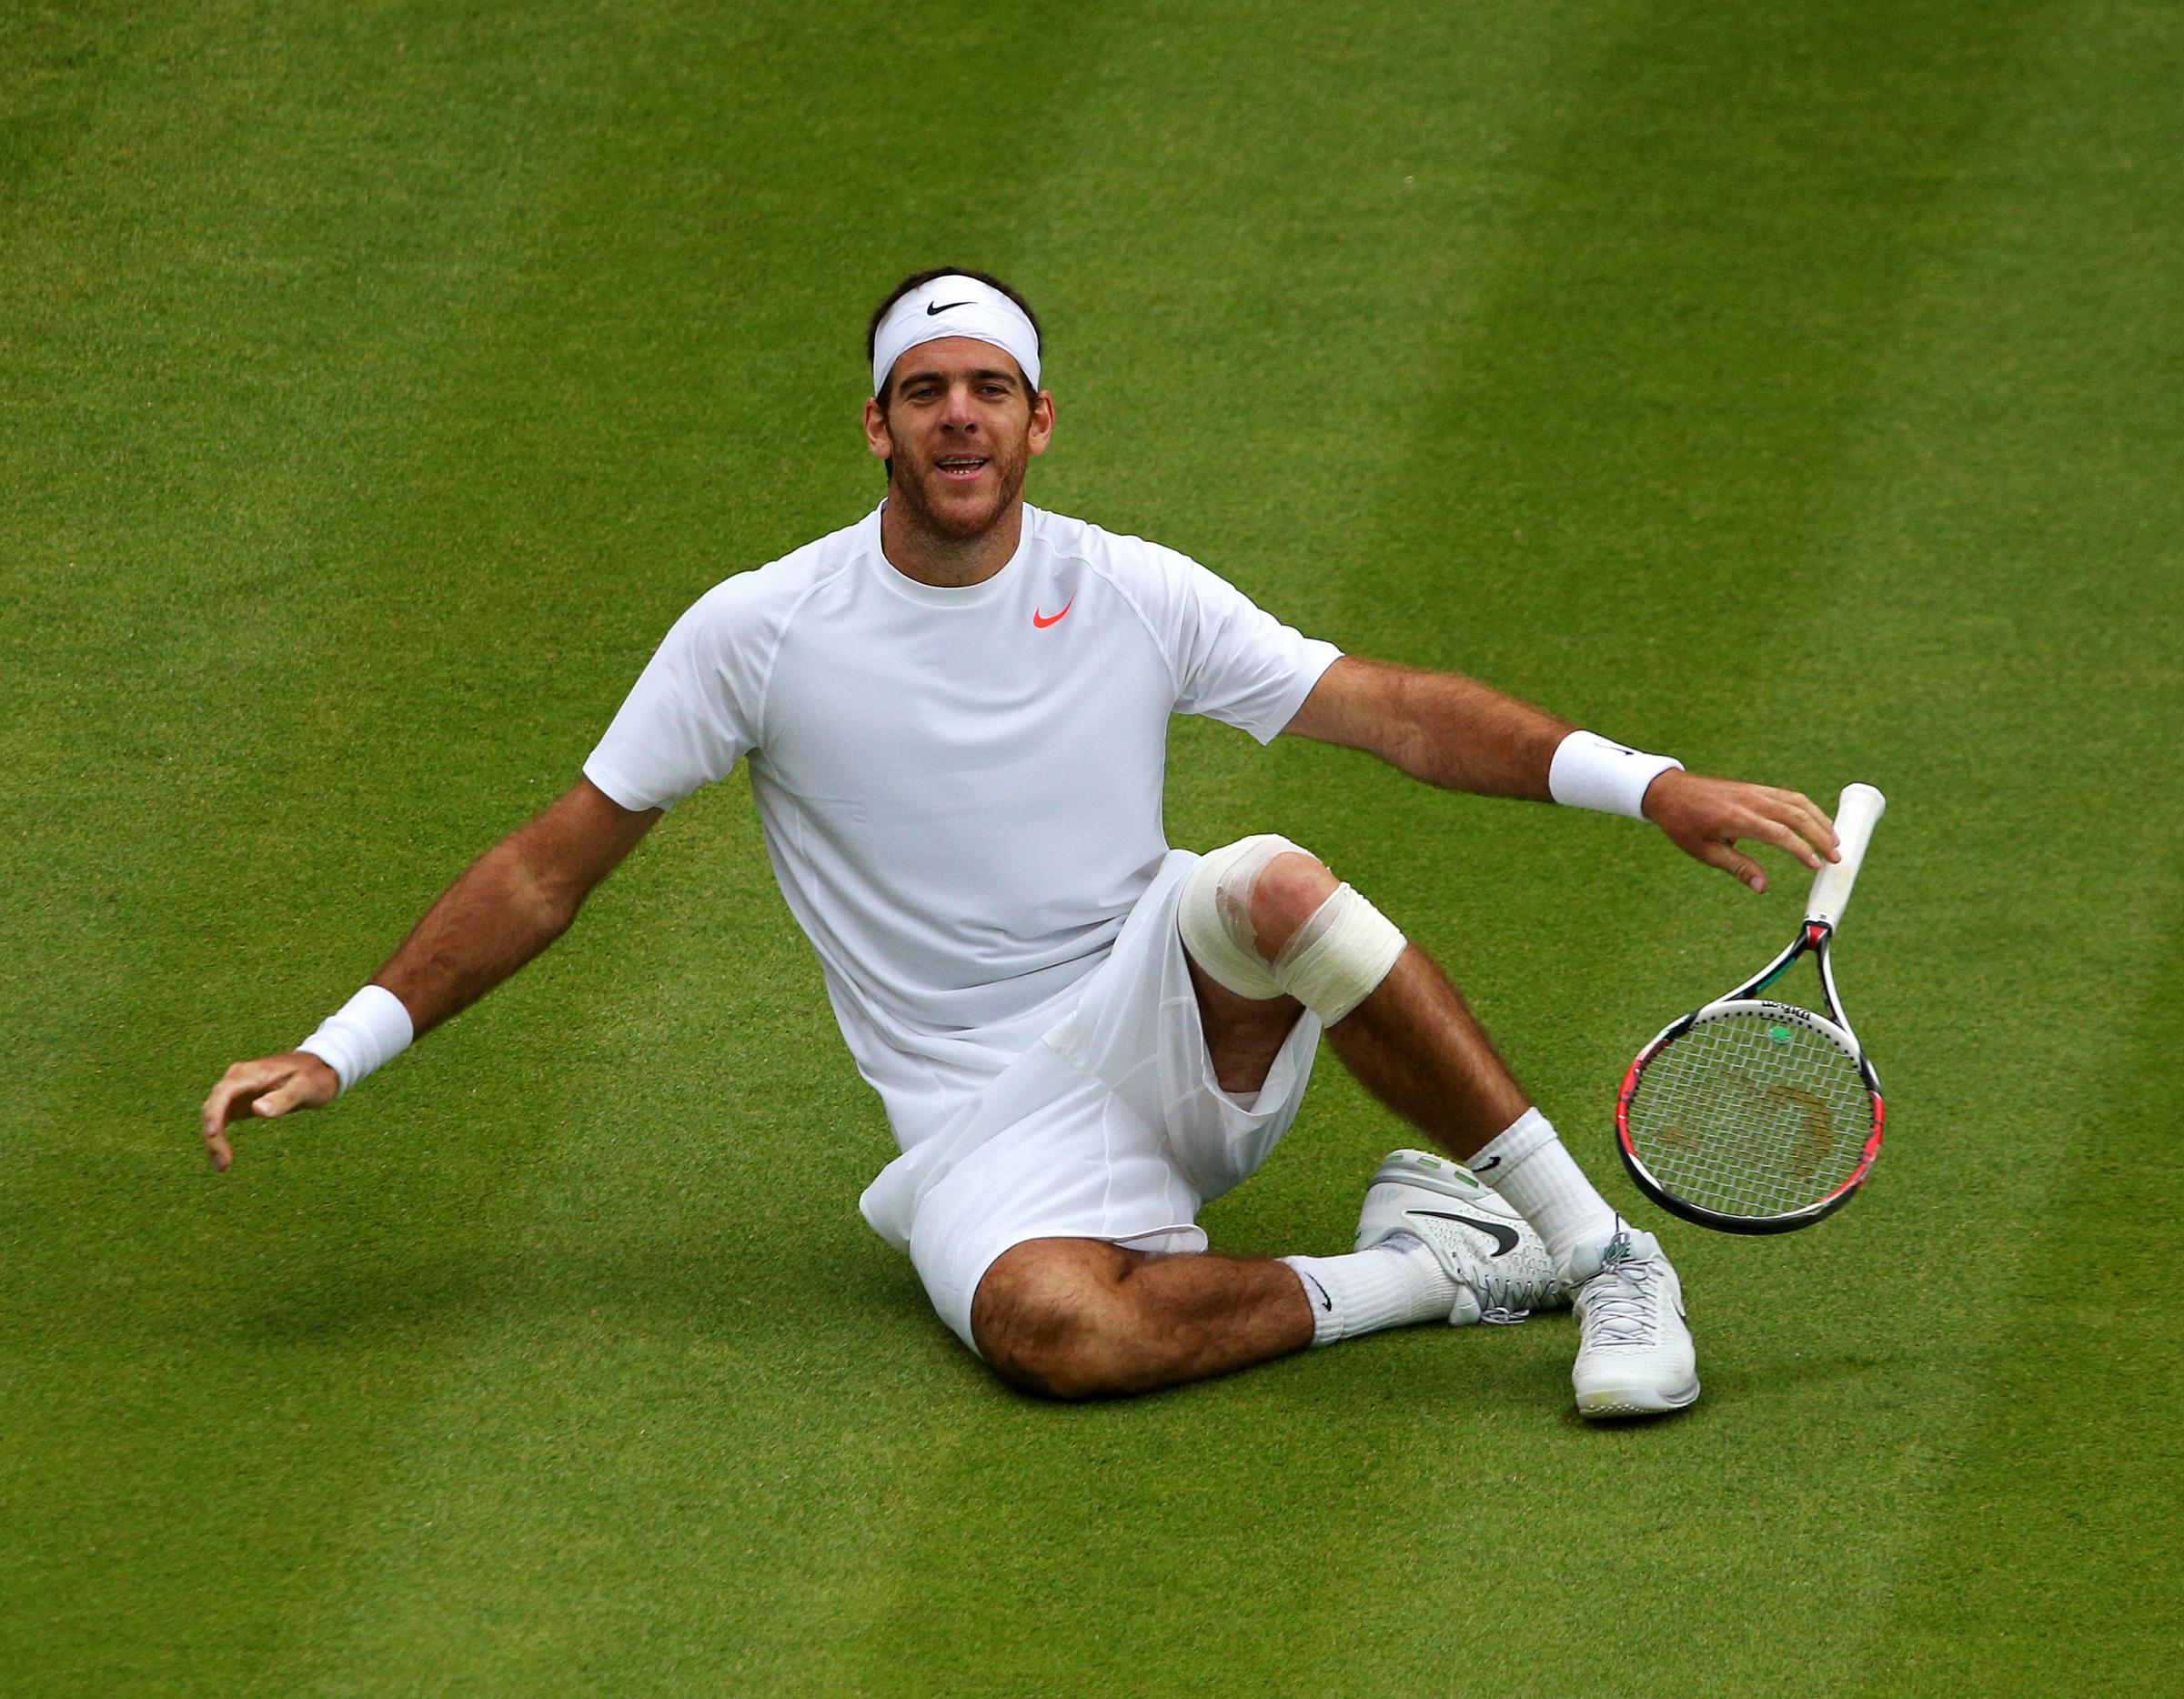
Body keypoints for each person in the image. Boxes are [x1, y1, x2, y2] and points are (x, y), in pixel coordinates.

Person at [201, 266, 1838, 1416]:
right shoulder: (759, 631)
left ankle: (1603, 1252)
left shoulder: (1130, 586)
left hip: (1170, 1015)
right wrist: (347, 1044)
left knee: (1268, 879)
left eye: (989, 390)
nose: (959, 419)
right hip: (977, 1119)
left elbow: (1395, 710)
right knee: (1056, 1339)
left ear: (1041, 421)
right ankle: (1441, 1270)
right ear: (877, 429)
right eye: (926, 394)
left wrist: (1654, 781)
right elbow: (554, 860)